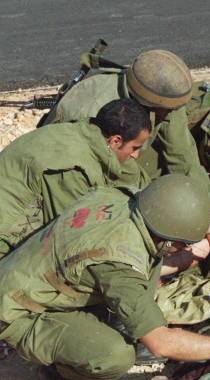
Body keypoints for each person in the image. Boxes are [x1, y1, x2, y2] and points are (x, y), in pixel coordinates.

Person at [0, 174, 210, 380]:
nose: (186, 247)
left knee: (145, 280)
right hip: (16, 311)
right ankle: (56, 377)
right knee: (115, 355)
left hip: (27, 275)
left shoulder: (121, 199)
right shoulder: (120, 263)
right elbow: (161, 343)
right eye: (182, 241)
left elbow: (156, 237)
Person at [0, 99, 151, 260]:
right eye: (135, 148)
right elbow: (70, 233)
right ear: (115, 141)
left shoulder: (83, 132)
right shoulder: (73, 169)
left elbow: (134, 176)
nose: (136, 155)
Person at [43, 49, 208, 187]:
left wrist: (204, 209)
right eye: (167, 110)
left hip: (119, 154)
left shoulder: (163, 100)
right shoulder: (96, 113)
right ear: (147, 100)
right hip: (74, 170)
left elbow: (183, 156)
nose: (171, 113)